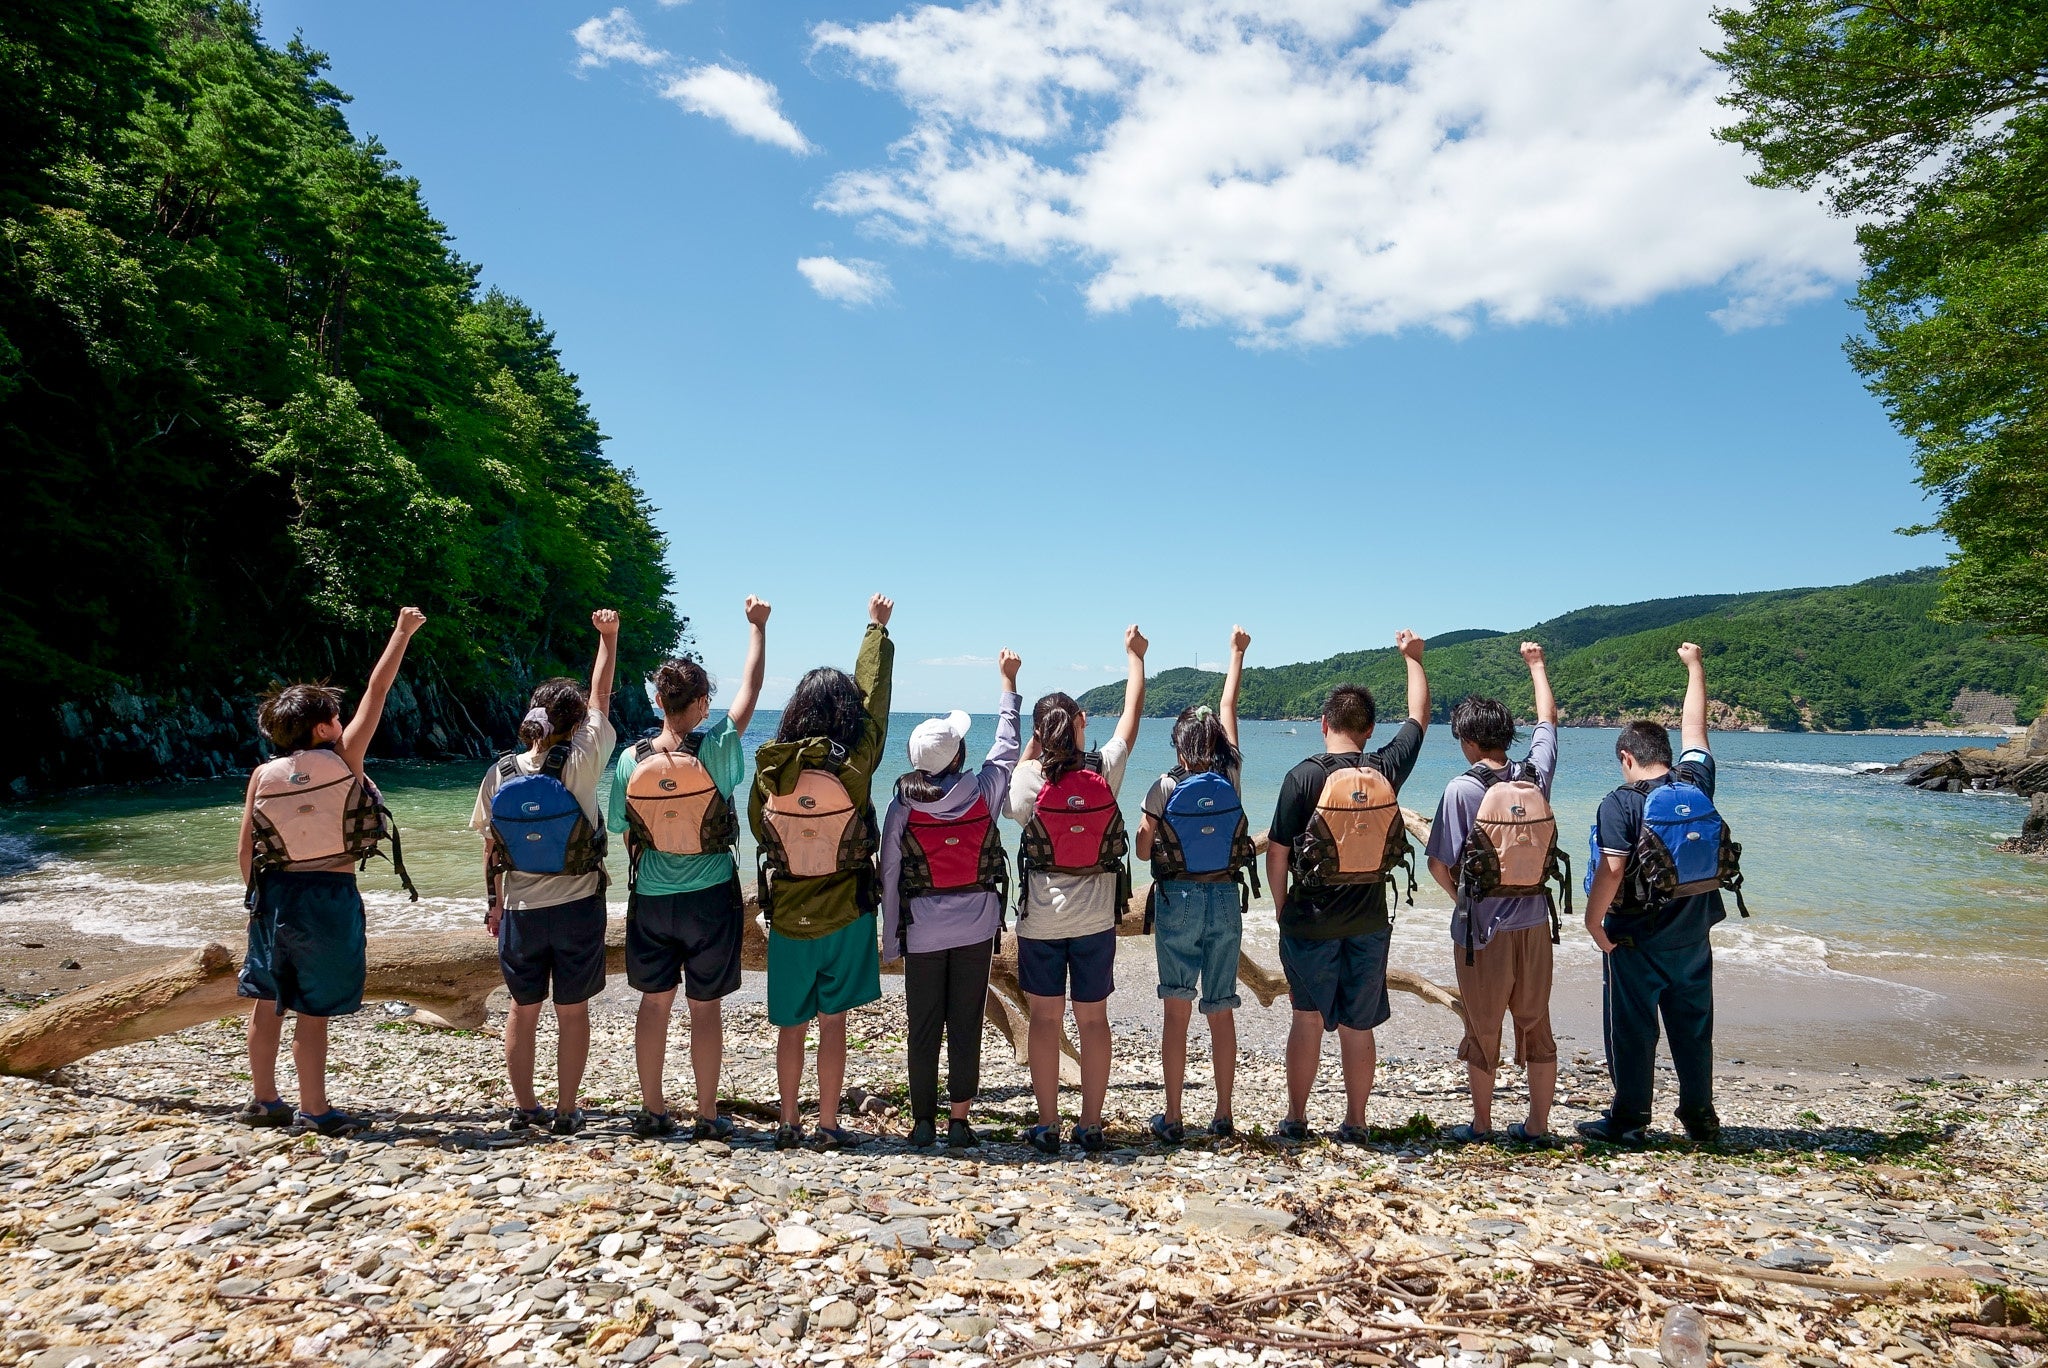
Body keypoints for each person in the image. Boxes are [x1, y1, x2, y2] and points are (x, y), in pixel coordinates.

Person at [236, 606, 427, 1135]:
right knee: (313, 1007)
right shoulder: (345, 759)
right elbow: (378, 691)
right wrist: (401, 632)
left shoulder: (263, 774)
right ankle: (315, 1109)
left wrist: (256, 900)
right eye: (337, 719)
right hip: (328, 896)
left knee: (268, 999)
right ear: (324, 728)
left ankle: (263, 1100)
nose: (343, 724)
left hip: (273, 894)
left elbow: (247, 849)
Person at [610, 596, 770, 1142]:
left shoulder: (631, 758)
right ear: (702, 703)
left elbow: (623, 827)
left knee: (654, 1005)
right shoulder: (719, 745)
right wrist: (757, 628)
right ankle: (706, 1114)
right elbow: (751, 691)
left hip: (652, 897)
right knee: (705, 1008)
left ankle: (653, 1110)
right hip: (710, 897)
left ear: (658, 700)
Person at [1264, 631, 1429, 1143]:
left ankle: (1297, 1119)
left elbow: (1277, 853)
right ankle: (1356, 1122)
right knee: (1359, 1027)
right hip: (1368, 920)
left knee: (1307, 1019)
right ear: (1370, 729)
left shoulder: (1301, 777)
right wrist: (1414, 660)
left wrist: (1283, 908)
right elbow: (1418, 719)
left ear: (1323, 724)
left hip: (1310, 922)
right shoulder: (1384, 768)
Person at [750, 594, 894, 1151]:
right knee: (834, 1024)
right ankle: (829, 1123)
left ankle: (789, 1121)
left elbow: (761, 831)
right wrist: (875, 631)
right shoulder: (856, 764)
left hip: (789, 916)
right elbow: (875, 700)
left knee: (792, 1026)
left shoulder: (770, 770)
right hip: (847, 914)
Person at [473, 609, 621, 1137]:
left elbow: (492, 848)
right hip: (577, 905)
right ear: (575, 722)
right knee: (572, 1010)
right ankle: (566, 1109)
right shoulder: (582, 760)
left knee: (523, 1008)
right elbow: (601, 697)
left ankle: (525, 1107)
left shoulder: (501, 771)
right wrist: (608, 639)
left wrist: (494, 905)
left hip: (521, 910)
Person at [1004, 624, 1149, 1156]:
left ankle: (1047, 1124)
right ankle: (1090, 1124)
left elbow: (1014, 790)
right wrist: (1135, 658)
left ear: (1039, 735)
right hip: (1095, 921)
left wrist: (1017, 703)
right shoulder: (1103, 770)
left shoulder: (1028, 780)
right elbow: (1131, 719)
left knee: (1044, 1020)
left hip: (1041, 922)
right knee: (1093, 1020)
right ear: (1082, 724)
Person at [1579, 642, 1725, 1145]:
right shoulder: (1696, 784)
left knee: (1633, 1029)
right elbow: (1696, 730)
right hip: (1693, 935)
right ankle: (1700, 1116)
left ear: (1627, 757)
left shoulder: (1619, 802)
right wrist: (1694, 667)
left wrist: (1593, 922)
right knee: (1694, 1027)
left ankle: (1630, 1118)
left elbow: (1613, 868)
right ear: (1666, 754)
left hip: (1635, 940)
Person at [878, 650, 1024, 1150]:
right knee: (965, 1023)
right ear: (958, 757)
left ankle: (923, 1123)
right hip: (977, 926)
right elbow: (1007, 748)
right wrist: (1008, 685)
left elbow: (889, 873)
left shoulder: (901, 806)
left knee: (922, 1026)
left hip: (922, 930)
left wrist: (891, 939)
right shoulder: (983, 791)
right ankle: (959, 1122)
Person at [1426, 642, 1562, 1144]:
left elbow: (1439, 863)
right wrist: (1536, 666)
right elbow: (1548, 722)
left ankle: (1481, 1124)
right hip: (1536, 923)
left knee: (1483, 1027)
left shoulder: (1461, 790)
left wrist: (1464, 902)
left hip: (1483, 931)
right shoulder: (1535, 778)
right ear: (1507, 735)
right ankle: (1538, 1124)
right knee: (1537, 1023)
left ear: (1467, 740)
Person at [1134, 625, 1255, 1144]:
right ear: (1218, 742)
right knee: (1221, 1009)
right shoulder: (1231, 776)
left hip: (1178, 899)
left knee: (1176, 1011)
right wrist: (1237, 654)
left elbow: (1143, 850)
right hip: (1225, 897)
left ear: (1178, 746)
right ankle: (1224, 1114)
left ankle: (1174, 1115)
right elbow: (1229, 707)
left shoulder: (1164, 785)